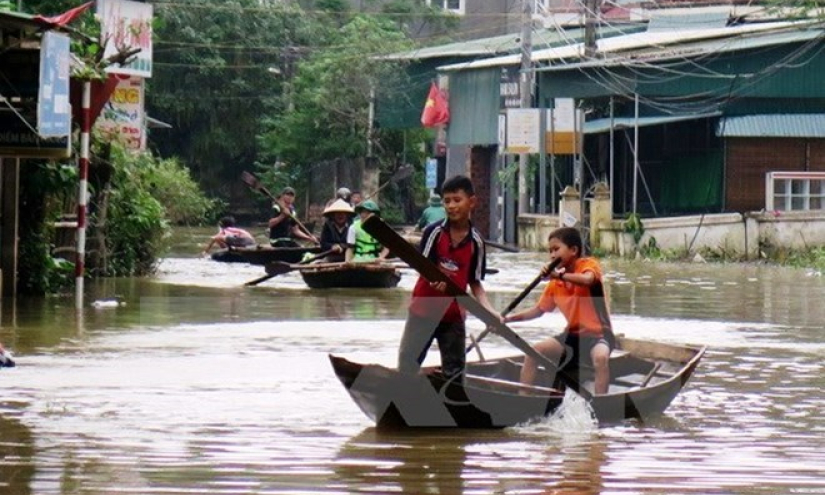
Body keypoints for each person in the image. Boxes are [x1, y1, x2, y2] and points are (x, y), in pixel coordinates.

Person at [397, 175, 497, 380]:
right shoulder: (434, 232)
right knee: (407, 365)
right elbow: (424, 268)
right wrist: (436, 280)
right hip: (423, 312)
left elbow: (475, 282)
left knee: (455, 374)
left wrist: (490, 312)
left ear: (472, 202)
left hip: (453, 316)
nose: (451, 206)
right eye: (447, 201)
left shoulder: (476, 242)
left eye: (457, 200)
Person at [502, 227, 614, 394]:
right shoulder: (555, 283)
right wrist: (508, 320)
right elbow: (538, 310)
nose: (552, 255)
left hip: (598, 336)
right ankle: (523, 396)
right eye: (550, 251)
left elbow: (588, 280)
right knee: (534, 351)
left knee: (600, 358)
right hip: (572, 337)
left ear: (574, 250)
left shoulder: (588, 265)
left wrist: (558, 275)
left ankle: (601, 405)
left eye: (556, 249)